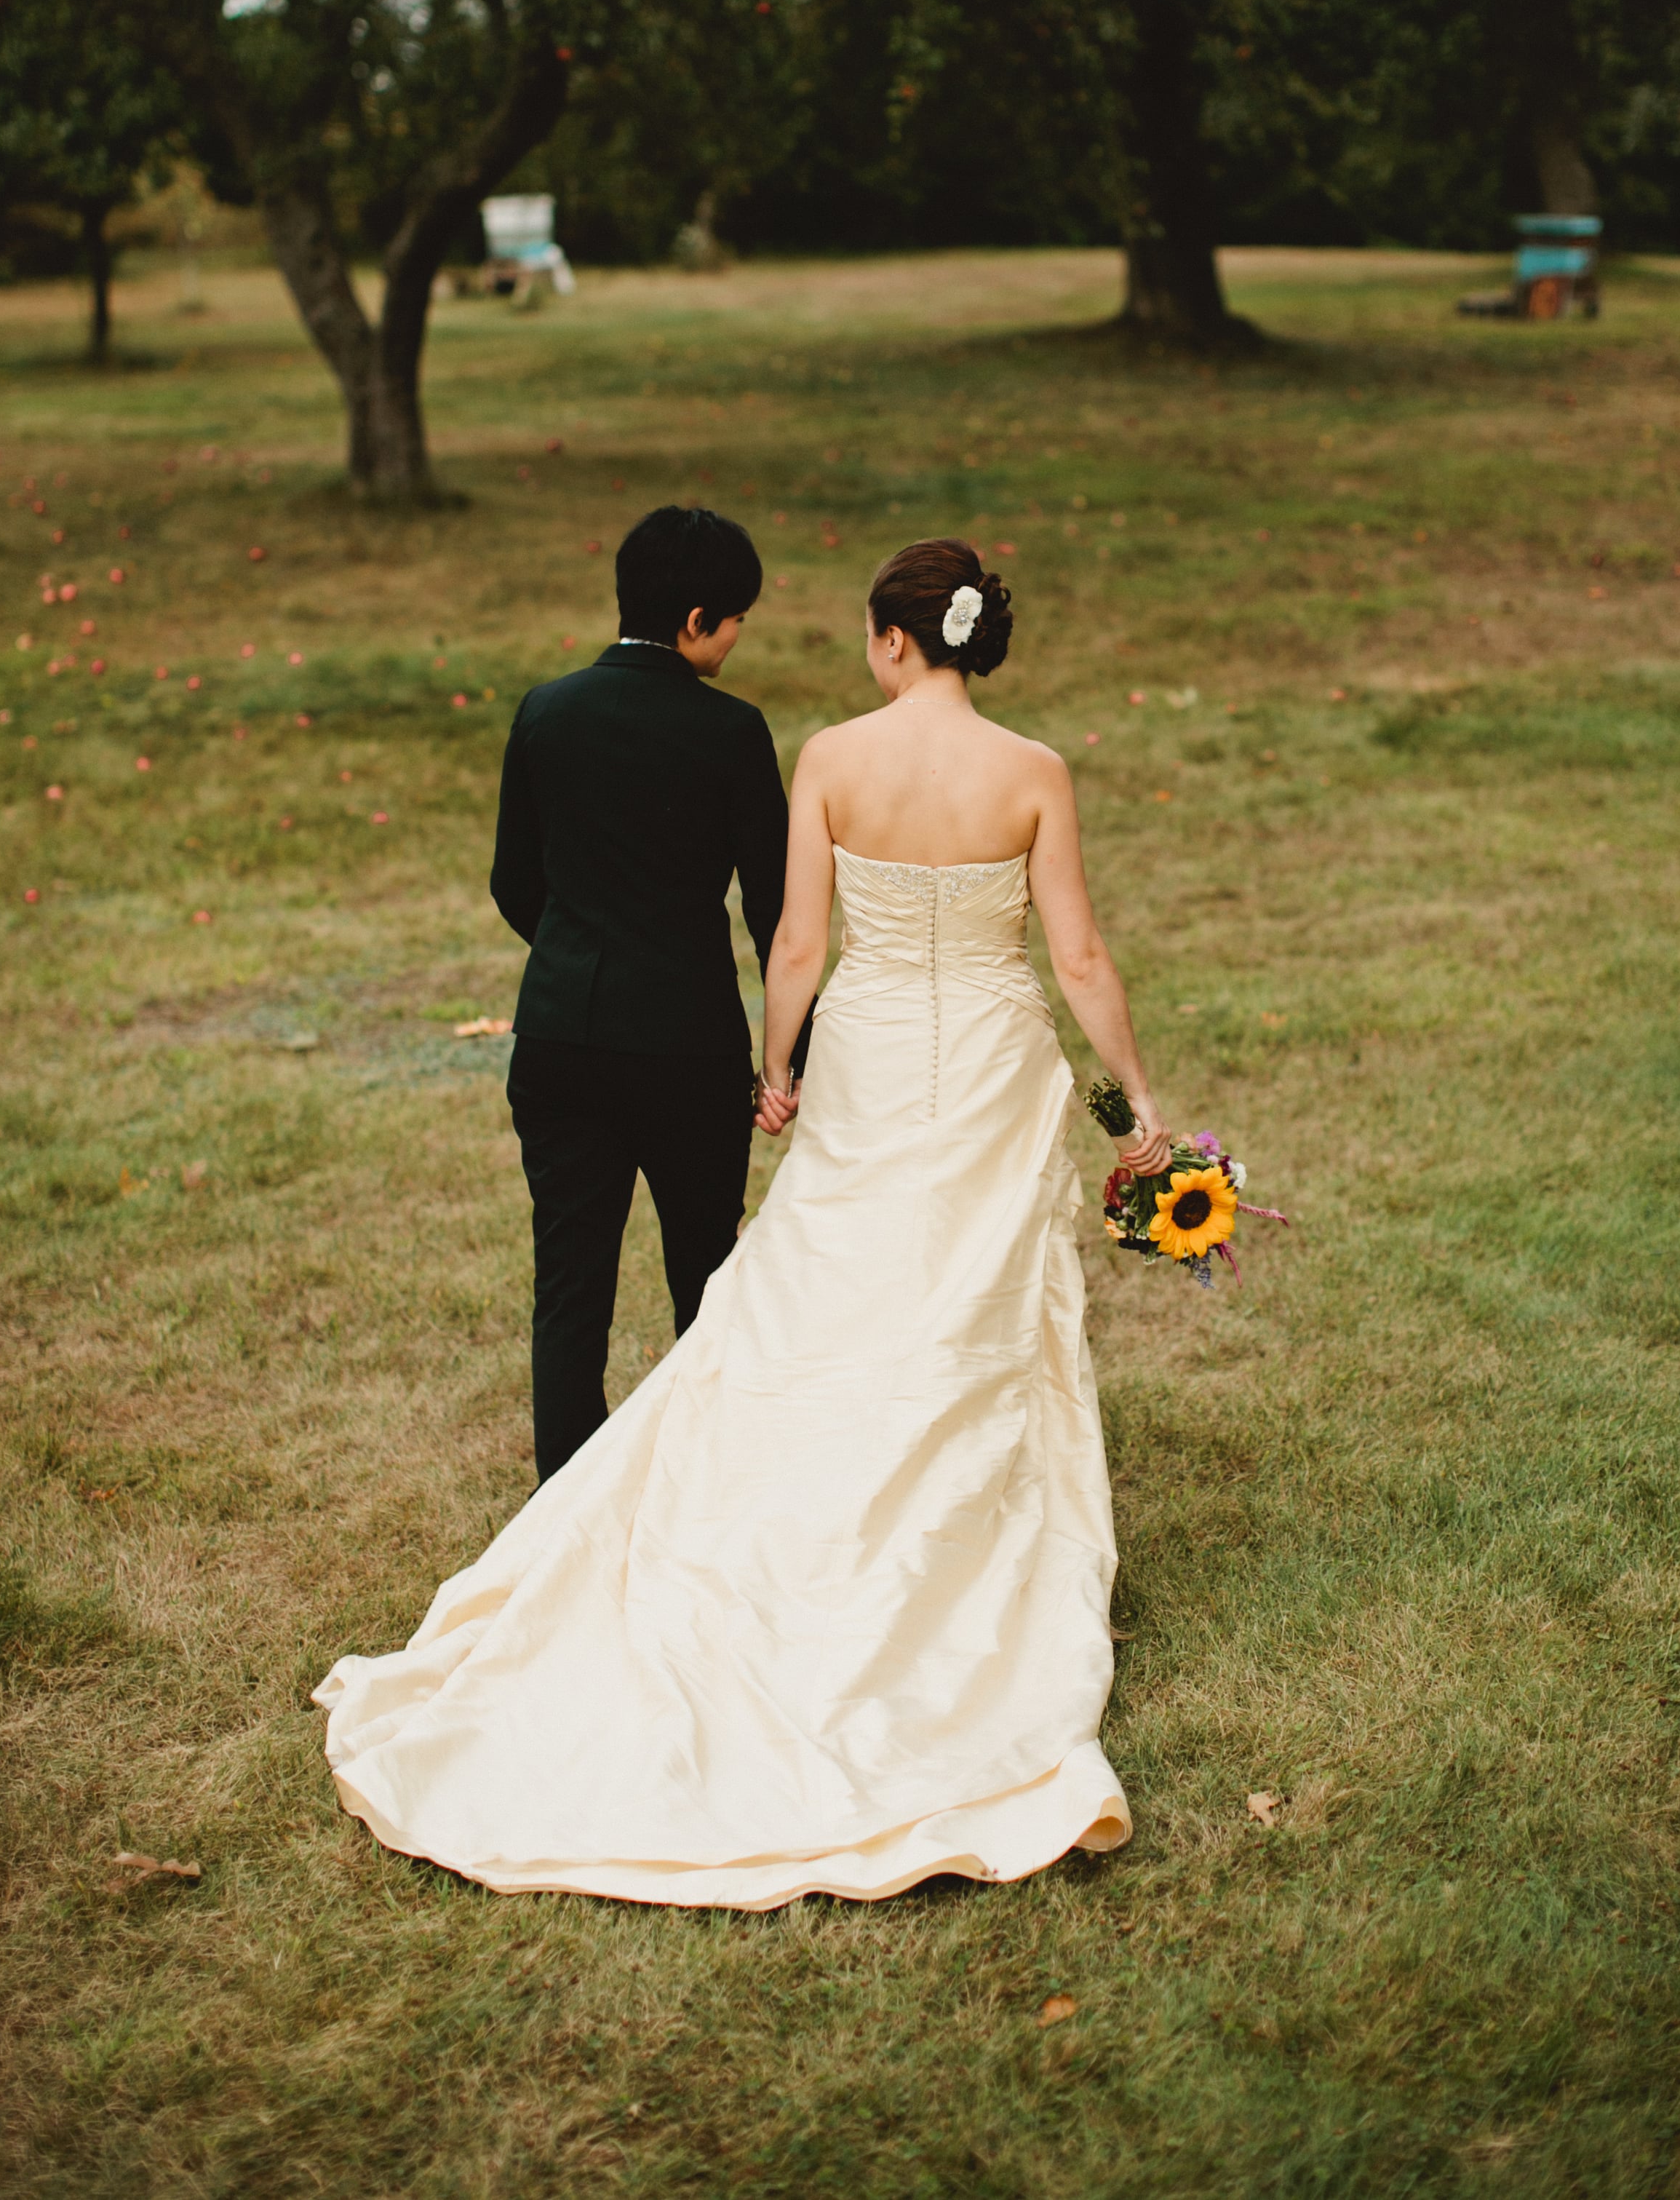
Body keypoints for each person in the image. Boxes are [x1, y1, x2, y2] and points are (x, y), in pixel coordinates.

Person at [315, 537, 1174, 1907]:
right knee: (977, 1299)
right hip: (998, 1065)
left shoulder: (831, 756)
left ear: (895, 642)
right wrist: (1139, 1105)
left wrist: (780, 1066)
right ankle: (962, 1543)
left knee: (825, 1288)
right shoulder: (1036, 773)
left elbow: (794, 943)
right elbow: (1075, 954)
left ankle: (769, 1518)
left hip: (873, 1056)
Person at [489, 504, 795, 1481]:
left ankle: (563, 1508)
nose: (740, 636)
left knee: (570, 1286)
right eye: (737, 617)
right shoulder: (733, 731)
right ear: (698, 618)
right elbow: (775, 911)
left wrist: (583, 950)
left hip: (561, 1039)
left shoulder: (546, 710)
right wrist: (792, 1051)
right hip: (687, 1047)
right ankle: (703, 1488)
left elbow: (513, 882)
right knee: (705, 1274)